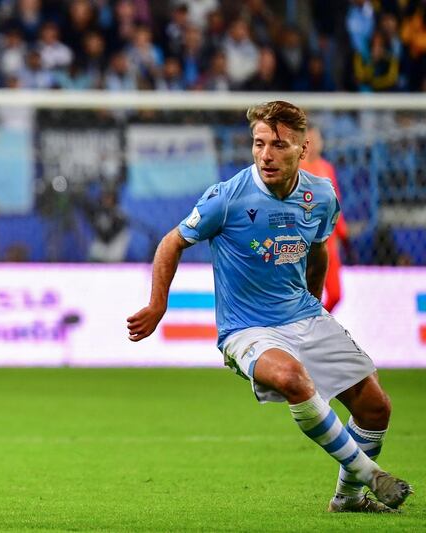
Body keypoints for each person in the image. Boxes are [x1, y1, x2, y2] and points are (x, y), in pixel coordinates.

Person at [127, 101, 412, 513]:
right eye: (259, 144)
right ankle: (371, 475)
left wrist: (315, 305)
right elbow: (172, 242)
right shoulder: (226, 199)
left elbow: (319, 251)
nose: (266, 155)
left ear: (303, 148)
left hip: (304, 316)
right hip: (247, 329)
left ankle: (347, 499)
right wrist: (158, 304)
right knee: (291, 377)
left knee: (376, 407)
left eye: (278, 145)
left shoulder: (322, 195)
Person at [299, 125, 349, 312]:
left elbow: (336, 204)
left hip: (329, 242)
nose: (314, 146)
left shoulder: (327, 168)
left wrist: (342, 234)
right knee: (308, 293)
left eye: (317, 140)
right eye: (309, 142)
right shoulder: (297, 170)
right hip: (307, 242)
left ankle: (318, 322)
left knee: (336, 294)